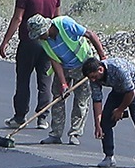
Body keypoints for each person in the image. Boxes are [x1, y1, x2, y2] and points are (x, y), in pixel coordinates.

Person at [0, 0, 61, 127]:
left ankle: (19, 117)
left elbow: (18, 18)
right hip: (47, 41)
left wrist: (5, 41)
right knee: (45, 80)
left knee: (23, 79)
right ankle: (42, 118)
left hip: (28, 41)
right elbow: (57, 18)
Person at [27, 12, 107, 144]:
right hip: (63, 66)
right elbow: (54, 59)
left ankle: (75, 133)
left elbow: (90, 34)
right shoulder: (44, 40)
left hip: (83, 64)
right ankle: (55, 134)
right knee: (58, 98)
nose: (40, 37)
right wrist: (63, 83)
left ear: (47, 28)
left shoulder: (65, 24)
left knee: (81, 100)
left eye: (41, 34)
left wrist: (102, 57)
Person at [82, 56, 135, 168]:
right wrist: (97, 124)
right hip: (118, 89)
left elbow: (131, 93)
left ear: (100, 69)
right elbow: (97, 100)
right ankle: (109, 157)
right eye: (90, 78)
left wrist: (120, 110)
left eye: (94, 77)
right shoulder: (93, 80)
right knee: (105, 121)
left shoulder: (118, 68)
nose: (93, 80)